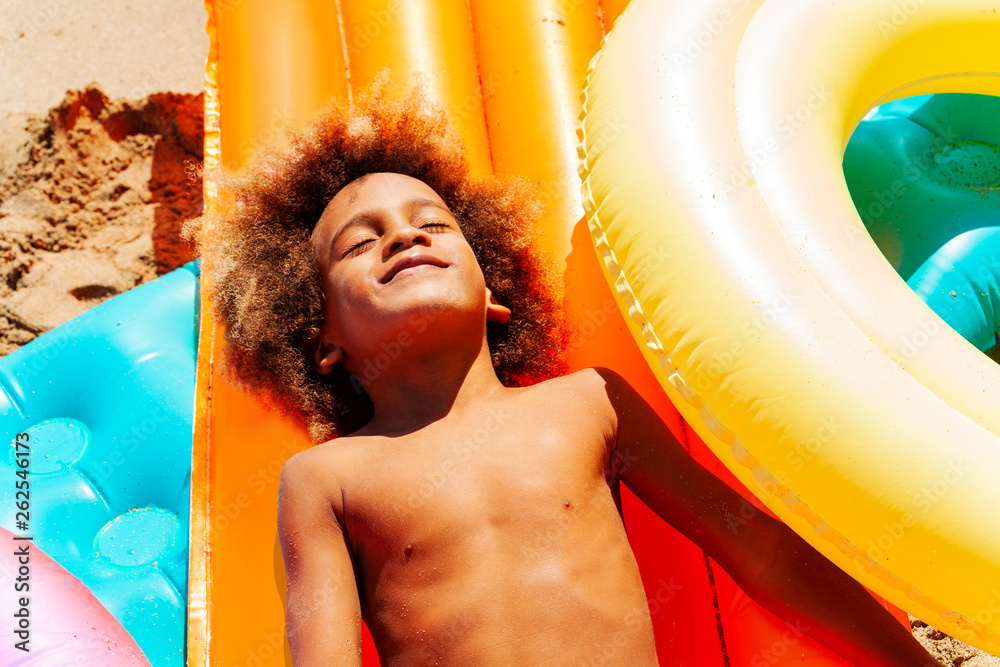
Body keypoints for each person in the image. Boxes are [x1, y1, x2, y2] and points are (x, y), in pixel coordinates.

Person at [188, 84, 942, 666]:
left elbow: (759, 550)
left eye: (433, 222)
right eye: (362, 241)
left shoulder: (588, 403)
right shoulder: (328, 477)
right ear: (320, 334)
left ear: (493, 292)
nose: (404, 235)